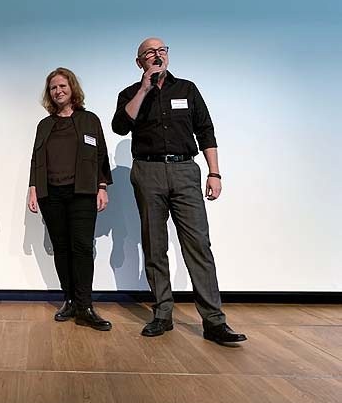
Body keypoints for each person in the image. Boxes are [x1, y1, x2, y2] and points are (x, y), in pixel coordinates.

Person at [111, 38, 247, 345]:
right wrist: (144, 89)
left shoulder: (187, 89)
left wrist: (214, 172)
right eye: (149, 52)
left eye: (162, 50)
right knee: (154, 244)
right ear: (139, 62)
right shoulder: (130, 93)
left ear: (167, 55)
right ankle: (163, 314)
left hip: (185, 169)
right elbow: (120, 127)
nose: (157, 55)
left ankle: (214, 321)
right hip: (148, 171)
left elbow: (206, 130)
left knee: (198, 244)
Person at [28, 68, 113, 331]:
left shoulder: (89, 120)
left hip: (82, 193)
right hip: (51, 194)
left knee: (82, 248)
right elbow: (36, 158)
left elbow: (100, 155)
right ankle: (69, 300)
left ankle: (85, 306)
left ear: (72, 88)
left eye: (62, 86)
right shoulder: (44, 125)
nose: (58, 91)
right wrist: (33, 188)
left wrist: (102, 186)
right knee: (61, 248)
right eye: (53, 87)